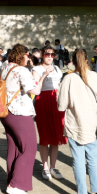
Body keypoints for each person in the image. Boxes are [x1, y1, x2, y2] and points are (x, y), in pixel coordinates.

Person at [57, 49, 97, 194]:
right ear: (87, 60)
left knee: (78, 159)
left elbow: (61, 106)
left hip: (76, 123)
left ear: (73, 61)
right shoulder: (95, 76)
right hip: (92, 122)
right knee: (93, 157)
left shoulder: (69, 78)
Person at [0, 44, 46, 194]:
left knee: (13, 148)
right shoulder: (22, 70)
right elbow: (36, 91)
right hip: (20, 113)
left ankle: (11, 181)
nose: (29, 59)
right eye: (28, 56)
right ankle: (16, 185)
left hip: (6, 113)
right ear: (23, 55)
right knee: (29, 148)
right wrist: (43, 76)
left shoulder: (5, 67)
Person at [32, 45, 66, 180]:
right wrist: (45, 74)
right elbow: (35, 88)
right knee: (45, 135)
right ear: (42, 54)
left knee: (56, 136)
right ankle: (45, 167)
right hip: (43, 101)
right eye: (47, 54)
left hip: (56, 101)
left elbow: (59, 85)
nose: (50, 57)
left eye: (53, 54)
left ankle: (53, 167)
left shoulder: (57, 68)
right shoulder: (36, 69)